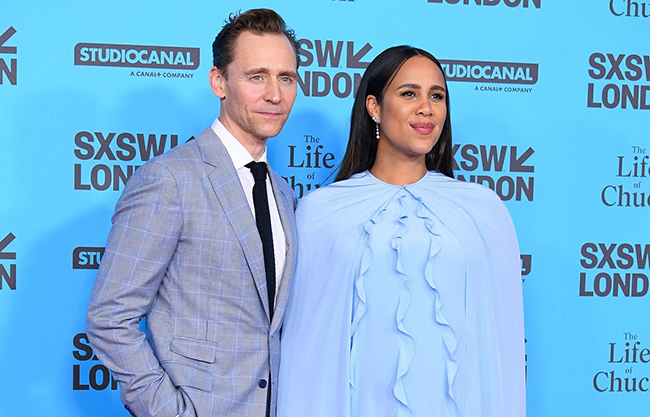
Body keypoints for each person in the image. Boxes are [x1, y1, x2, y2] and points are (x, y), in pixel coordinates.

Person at [277, 46, 526, 417]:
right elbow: (306, 353)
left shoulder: (481, 211)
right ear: (374, 107)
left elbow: (499, 351)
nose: (426, 108)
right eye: (409, 94)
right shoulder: (321, 213)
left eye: (436, 96)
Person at [86, 9, 299, 417]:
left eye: (285, 78)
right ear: (219, 81)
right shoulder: (170, 179)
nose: (275, 94)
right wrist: (169, 411)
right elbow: (110, 316)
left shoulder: (282, 193)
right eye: (257, 77)